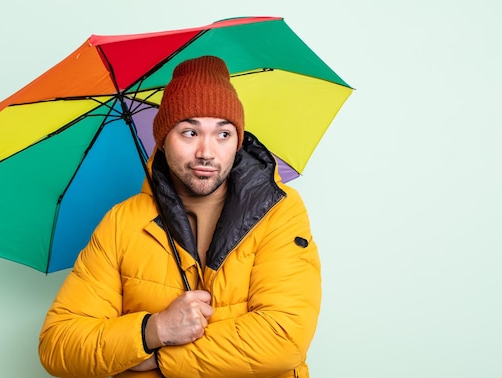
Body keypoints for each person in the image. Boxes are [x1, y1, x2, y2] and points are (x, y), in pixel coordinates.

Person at [38, 55, 322, 378]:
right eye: (190, 132)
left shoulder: (278, 212)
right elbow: (58, 343)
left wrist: (161, 359)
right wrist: (155, 329)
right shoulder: (121, 224)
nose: (206, 151)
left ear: (238, 140)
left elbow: (285, 336)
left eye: (223, 134)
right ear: (163, 137)